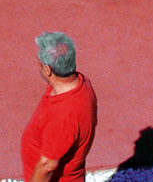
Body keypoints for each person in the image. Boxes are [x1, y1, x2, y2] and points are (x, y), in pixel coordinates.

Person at [20, 31, 97, 182]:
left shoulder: (63, 117)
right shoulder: (78, 82)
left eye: (40, 64)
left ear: (48, 70)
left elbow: (47, 166)